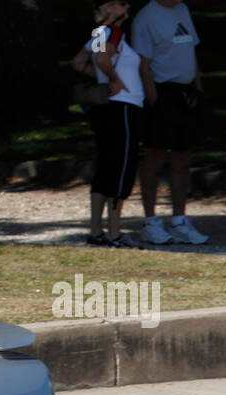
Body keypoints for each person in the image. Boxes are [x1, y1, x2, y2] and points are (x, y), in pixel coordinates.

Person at [129, 0, 208, 244]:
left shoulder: (182, 9)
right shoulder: (146, 17)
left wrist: (197, 87)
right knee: (155, 155)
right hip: (162, 93)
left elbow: (190, 50)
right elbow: (142, 62)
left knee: (182, 158)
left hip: (185, 93)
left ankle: (179, 220)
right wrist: (153, 97)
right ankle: (151, 221)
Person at [82, 0, 144, 247]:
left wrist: (102, 80)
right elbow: (102, 60)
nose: (126, 7)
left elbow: (80, 62)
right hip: (124, 106)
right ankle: (115, 232)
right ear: (108, 8)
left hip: (106, 108)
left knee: (106, 164)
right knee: (122, 165)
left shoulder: (98, 33)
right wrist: (115, 80)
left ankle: (96, 229)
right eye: (120, 4)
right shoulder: (114, 32)